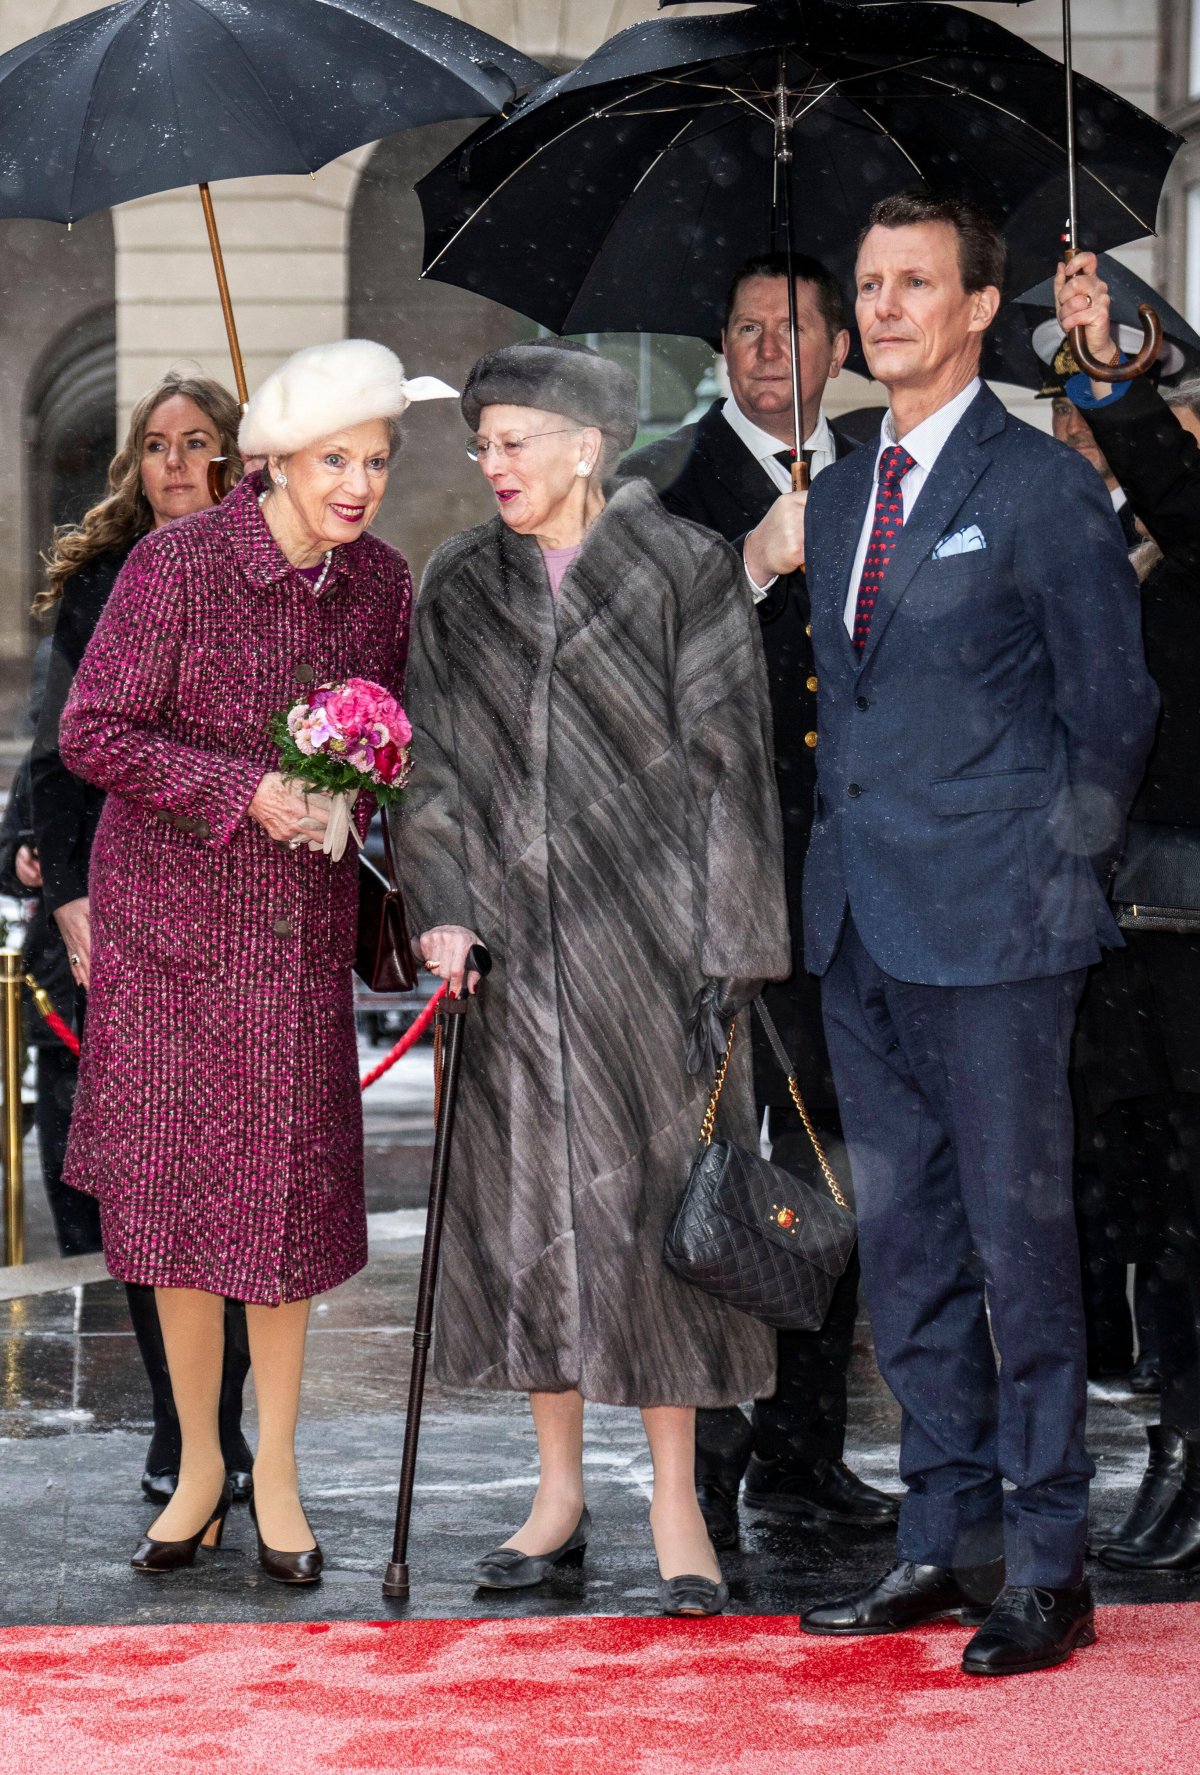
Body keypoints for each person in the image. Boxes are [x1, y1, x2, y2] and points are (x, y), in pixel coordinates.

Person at [797, 193, 1158, 1676]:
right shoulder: (833, 496)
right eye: (870, 284)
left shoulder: (1040, 488)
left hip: (1004, 932)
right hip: (861, 927)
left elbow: (1114, 708)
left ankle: (1053, 1560)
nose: (883, 308)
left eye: (914, 284)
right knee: (910, 1250)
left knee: (1023, 1253)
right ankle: (943, 1535)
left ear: (977, 309)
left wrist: (1054, 870)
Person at [401, 337, 790, 1618]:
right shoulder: (459, 584)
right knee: (530, 1224)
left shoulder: (681, 570)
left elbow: (734, 763)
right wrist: (444, 913)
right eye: (484, 442)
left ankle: (677, 1497)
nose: (493, 462)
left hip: (657, 951)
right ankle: (556, 1490)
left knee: (663, 1224)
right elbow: (434, 774)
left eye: (516, 437)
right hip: (509, 962)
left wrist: (733, 946)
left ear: (588, 443)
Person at [57, 339, 434, 1583]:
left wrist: (353, 795)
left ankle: (272, 1466)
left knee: (280, 1207)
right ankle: (202, 1469)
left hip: (291, 943)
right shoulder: (176, 564)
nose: (361, 485)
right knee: (173, 1209)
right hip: (168, 932)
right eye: (338, 459)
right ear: (273, 458)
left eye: (377, 461)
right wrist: (245, 789)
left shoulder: (381, 583)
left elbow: (396, 749)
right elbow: (92, 730)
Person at [619, 254, 896, 1547]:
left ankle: (807, 1452)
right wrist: (752, 562)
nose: (769, 348)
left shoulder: (889, 467)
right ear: (719, 346)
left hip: (869, 885)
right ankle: (716, 1462)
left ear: (840, 344)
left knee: (838, 1179)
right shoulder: (668, 483)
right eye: (744, 328)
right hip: (725, 887)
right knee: (729, 1180)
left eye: (794, 327)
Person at [29, 372, 257, 1504]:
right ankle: (181, 1425)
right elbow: (55, 758)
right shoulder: (104, 584)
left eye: (199, 441)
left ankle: (231, 1425)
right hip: (114, 922)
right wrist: (66, 887)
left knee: (244, 1186)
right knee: (151, 1191)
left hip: (242, 917)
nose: (175, 462)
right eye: (157, 444)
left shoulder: (272, 576)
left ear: (235, 453)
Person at [1054, 255, 1200, 1573]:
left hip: (1186, 911)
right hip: (1126, 923)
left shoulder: (1186, 530)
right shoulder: (1119, 546)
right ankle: (1173, 1427)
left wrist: (1114, 367)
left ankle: (1190, 1449)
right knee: (1151, 1194)